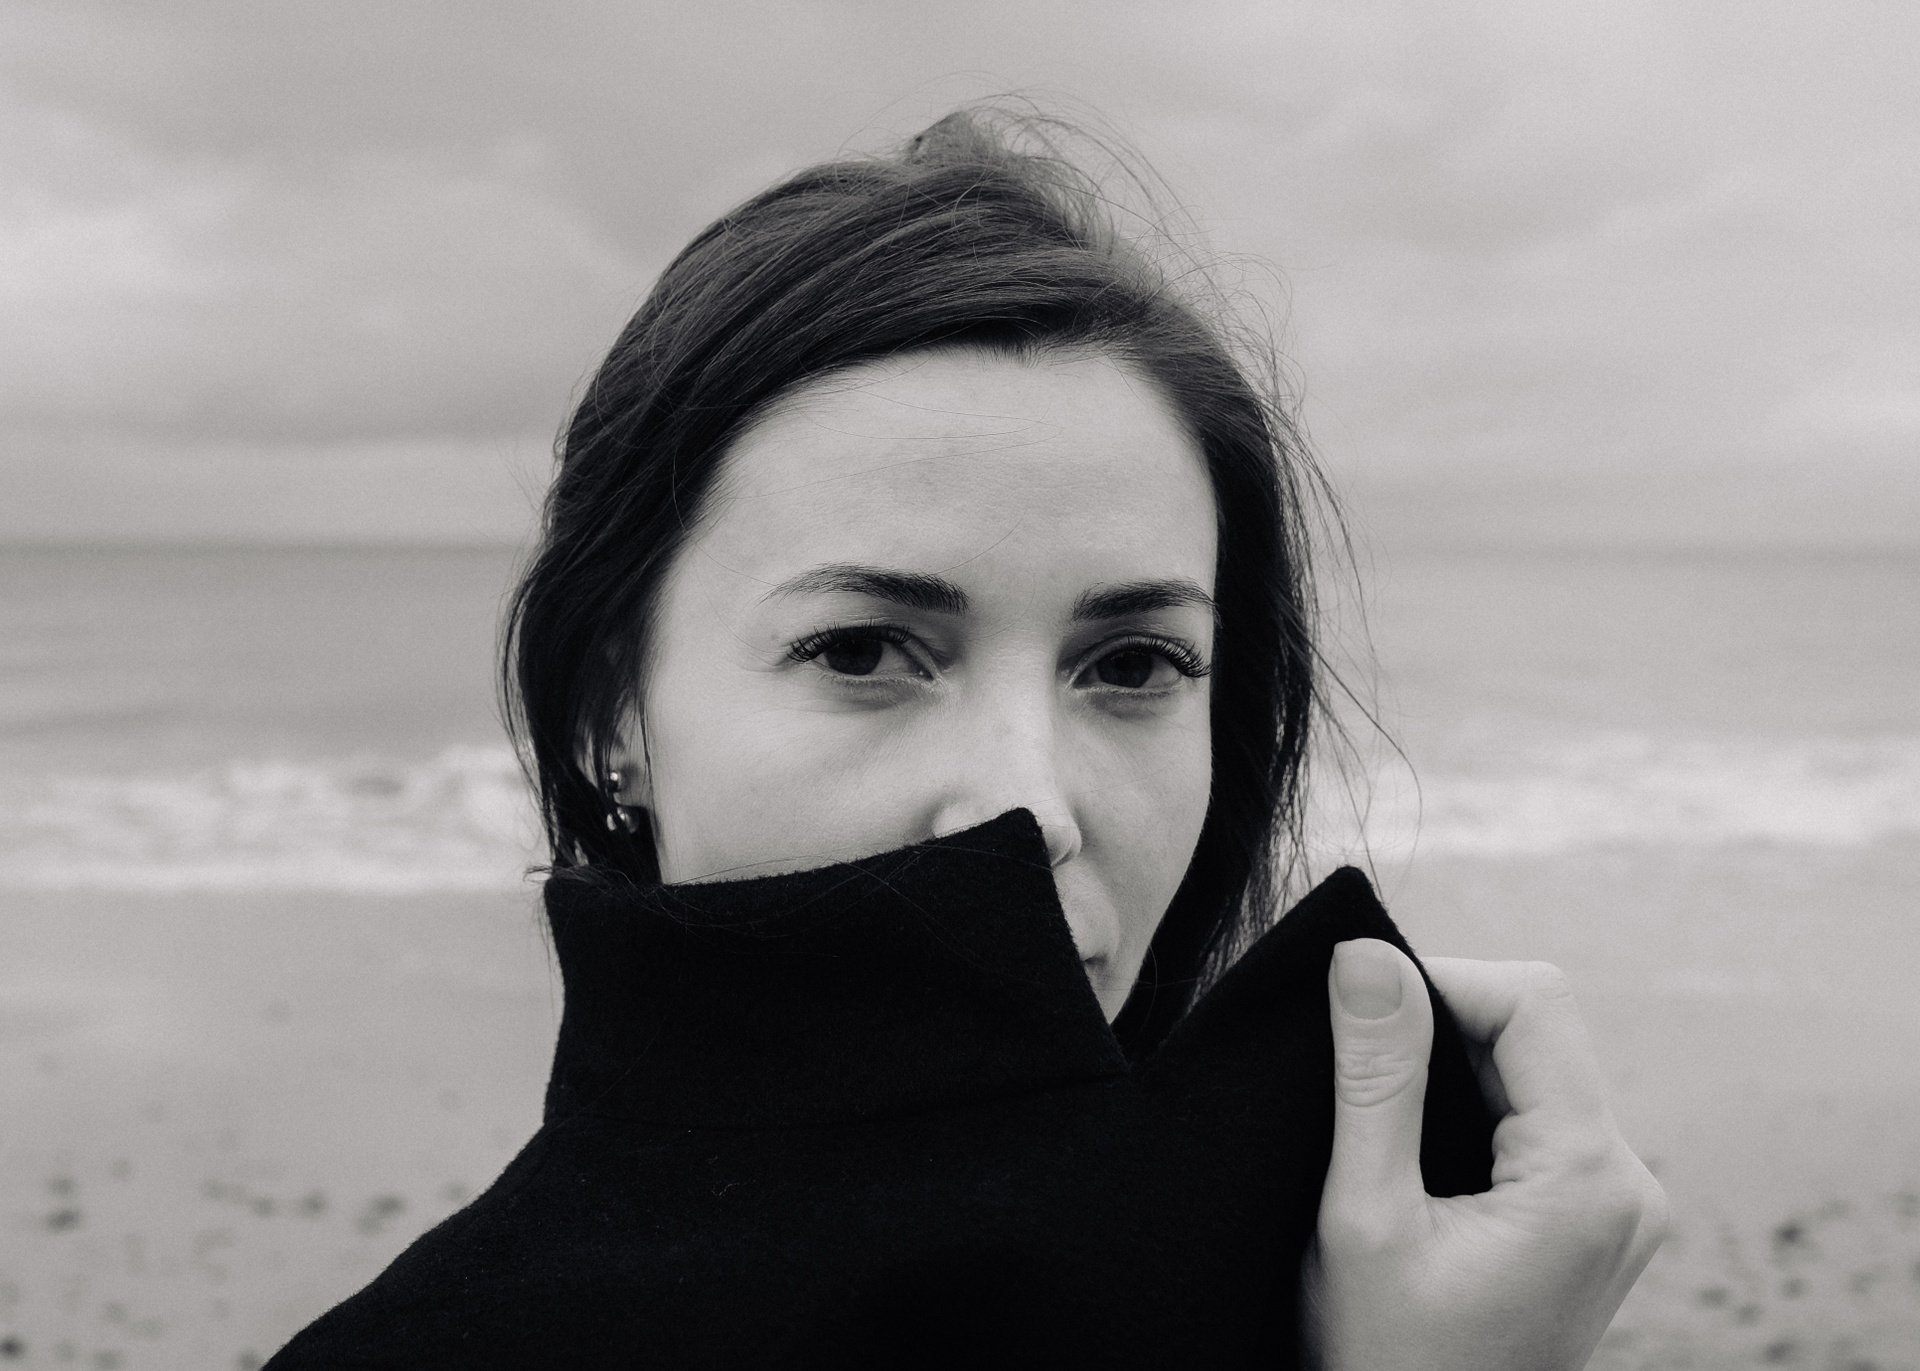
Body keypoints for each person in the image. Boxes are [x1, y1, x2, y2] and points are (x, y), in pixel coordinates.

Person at [266, 106, 1665, 1369]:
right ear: (605, 717)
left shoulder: (1365, 1275)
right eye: (861, 651)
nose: (1028, 805)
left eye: (1133, 665)